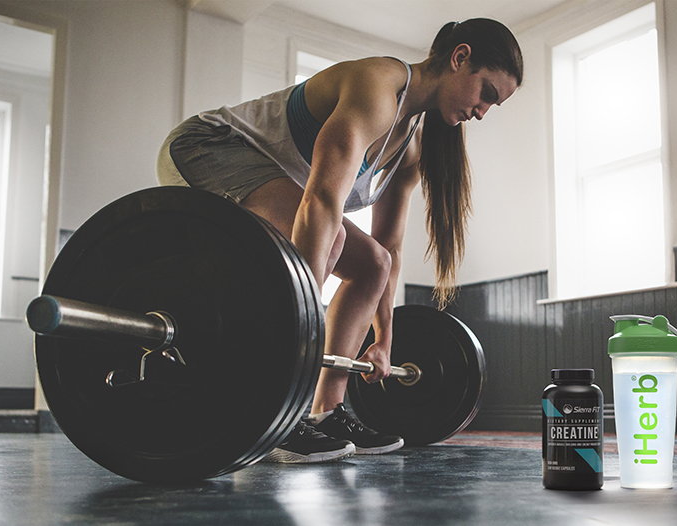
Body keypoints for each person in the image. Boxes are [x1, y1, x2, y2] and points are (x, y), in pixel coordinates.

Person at [156, 18, 523, 463]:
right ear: (460, 57)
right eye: (486, 93)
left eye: (493, 105)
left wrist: (385, 338)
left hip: (275, 184)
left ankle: (327, 411)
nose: (482, 112)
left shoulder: (409, 147)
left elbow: (388, 248)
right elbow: (321, 203)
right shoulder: (377, 86)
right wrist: (303, 323)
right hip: (206, 147)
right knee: (324, 245)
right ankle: (277, 413)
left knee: (373, 264)